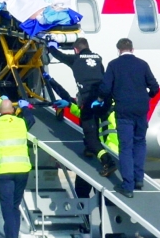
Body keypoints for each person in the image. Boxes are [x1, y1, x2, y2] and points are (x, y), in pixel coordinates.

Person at [46, 38, 117, 196]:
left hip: (89, 102)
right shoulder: (98, 58)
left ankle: (107, 161)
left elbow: (59, 55)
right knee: (93, 129)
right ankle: (89, 150)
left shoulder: (75, 59)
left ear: (76, 50)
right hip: (101, 100)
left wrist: (51, 46)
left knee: (91, 138)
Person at [94, 38, 159, 198]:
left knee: (126, 147)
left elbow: (105, 88)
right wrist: (147, 97)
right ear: (132, 49)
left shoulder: (114, 65)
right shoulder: (142, 64)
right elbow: (155, 87)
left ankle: (128, 186)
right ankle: (139, 179)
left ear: (118, 50)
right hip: (141, 109)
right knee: (140, 142)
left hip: (123, 110)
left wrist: (101, 100)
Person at [0, 98, 35, 238]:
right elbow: (31, 120)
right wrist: (25, 108)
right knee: (15, 204)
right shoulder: (21, 123)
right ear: (13, 111)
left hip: (4, 171)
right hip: (22, 170)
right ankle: (14, 234)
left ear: (0, 112)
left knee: (7, 206)